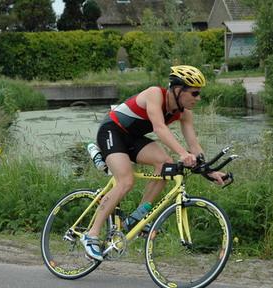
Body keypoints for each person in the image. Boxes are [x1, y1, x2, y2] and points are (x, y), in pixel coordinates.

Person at [81, 65, 229, 261]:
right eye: (194, 93)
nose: (198, 98)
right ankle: (91, 235)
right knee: (126, 181)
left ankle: (137, 218)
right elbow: (159, 127)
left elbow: (194, 144)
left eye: (199, 93)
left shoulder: (184, 113)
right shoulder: (154, 94)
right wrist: (182, 153)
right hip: (112, 130)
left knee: (166, 164)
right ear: (178, 90)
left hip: (133, 138)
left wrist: (210, 170)